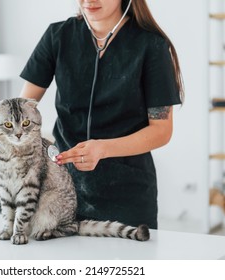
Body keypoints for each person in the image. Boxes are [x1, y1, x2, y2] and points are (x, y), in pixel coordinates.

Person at [20, 0, 184, 229]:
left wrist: (103, 148)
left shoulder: (151, 45)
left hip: (127, 196)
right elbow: (22, 109)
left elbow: (161, 131)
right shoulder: (57, 36)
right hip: (62, 192)